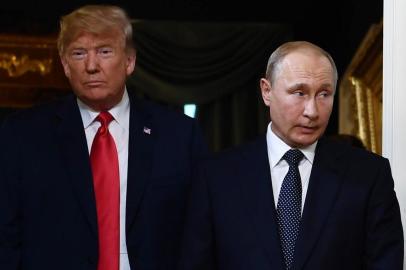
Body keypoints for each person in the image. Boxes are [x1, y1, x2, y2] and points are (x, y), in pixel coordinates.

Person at [0, 5, 207, 270]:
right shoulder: (23, 135)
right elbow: (6, 233)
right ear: (64, 65)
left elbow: (200, 232)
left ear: (129, 61)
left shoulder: (179, 135)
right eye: (79, 53)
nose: (91, 66)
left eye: (104, 51)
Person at [179, 41, 403, 270]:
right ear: (267, 91)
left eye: (324, 94)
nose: (312, 111)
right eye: (299, 93)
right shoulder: (216, 176)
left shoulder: (369, 175)